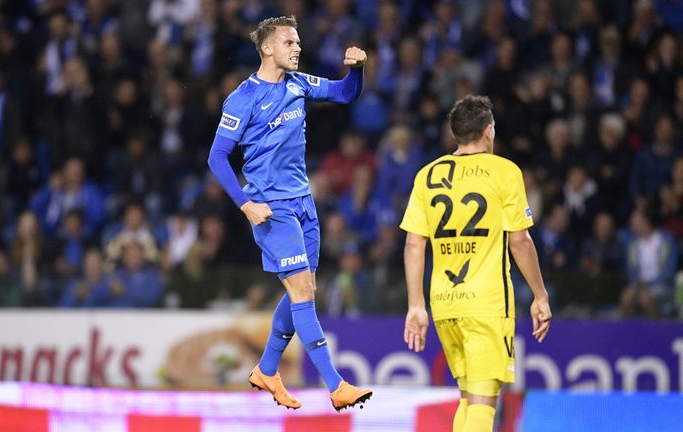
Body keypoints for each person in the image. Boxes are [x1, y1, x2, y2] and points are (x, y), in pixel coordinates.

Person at [207, 15, 372, 411]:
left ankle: (266, 369)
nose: (297, 47)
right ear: (267, 48)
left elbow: (346, 93)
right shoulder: (243, 98)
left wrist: (358, 70)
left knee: (304, 290)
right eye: (289, 42)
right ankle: (336, 385)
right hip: (271, 208)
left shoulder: (300, 84)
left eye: (298, 42)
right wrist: (246, 205)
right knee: (302, 292)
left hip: (304, 203)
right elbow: (217, 157)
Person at [399, 96, 552, 432]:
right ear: (489, 131)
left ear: (455, 134)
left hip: (444, 304)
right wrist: (540, 295)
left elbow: (413, 243)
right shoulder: (505, 171)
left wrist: (415, 306)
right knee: (483, 404)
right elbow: (520, 241)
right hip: (486, 304)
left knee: (469, 399)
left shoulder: (427, 176)